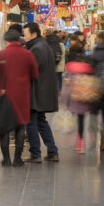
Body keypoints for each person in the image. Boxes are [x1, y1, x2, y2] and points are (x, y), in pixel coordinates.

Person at [0, 29, 38, 167]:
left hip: (4, 96)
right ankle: (18, 159)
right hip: (22, 96)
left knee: (4, 129)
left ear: (6, 41)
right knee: (20, 127)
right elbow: (35, 74)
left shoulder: (1, 55)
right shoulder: (28, 54)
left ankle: (6, 159)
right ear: (19, 40)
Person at [23, 22, 59, 163]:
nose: (24, 37)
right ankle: (52, 151)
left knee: (31, 122)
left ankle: (35, 154)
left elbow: (30, 71)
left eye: (25, 35)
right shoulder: (42, 46)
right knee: (41, 121)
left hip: (37, 91)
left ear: (34, 34)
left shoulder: (37, 49)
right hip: (42, 90)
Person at [62, 36, 95, 152]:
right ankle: (81, 143)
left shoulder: (70, 68)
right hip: (85, 98)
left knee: (73, 120)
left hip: (73, 98)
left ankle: (76, 140)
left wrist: (65, 102)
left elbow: (66, 87)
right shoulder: (88, 66)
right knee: (81, 120)